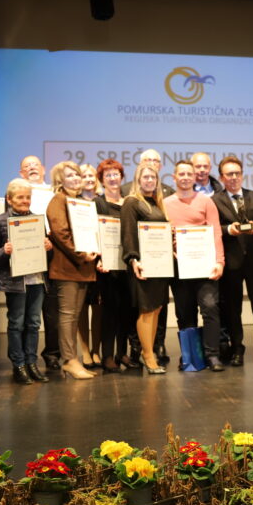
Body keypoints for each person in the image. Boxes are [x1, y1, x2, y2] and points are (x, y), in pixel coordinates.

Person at [0, 179, 52, 384]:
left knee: (34, 323)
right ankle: (19, 365)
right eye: (20, 197)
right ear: (9, 199)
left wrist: (49, 247)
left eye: (28, 197)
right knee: (16, 323)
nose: (25, 201)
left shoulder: (37, 221)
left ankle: (32, 363)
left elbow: (46, 255)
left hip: (37, 279)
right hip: (15, 281)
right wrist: (4, 251)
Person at [164, 160, 226, 371]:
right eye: (181, 174)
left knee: (210, 308)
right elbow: (162, 234)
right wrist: (170, 250)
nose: (185, 177)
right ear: (174, 177)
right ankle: (189, 356)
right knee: (184, 312)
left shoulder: (206, 202)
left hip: (204, 265)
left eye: (189, 174)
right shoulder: (165, 203)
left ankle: (212, 355)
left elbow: (216, 232)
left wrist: (219, 261)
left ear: (194, 177)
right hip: (179, 266)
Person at [213, 156, 253, 365]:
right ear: (222, 177)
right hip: (231, 263)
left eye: (237, 173)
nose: (234, 177)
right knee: (233, 309)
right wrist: (227, 230)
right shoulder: (215, 200)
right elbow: (213, 228)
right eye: (229, 174)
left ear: (242, 175)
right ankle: (237, 349)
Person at [46, 161, 98, 380]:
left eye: (77, 174)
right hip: (67, 267)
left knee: (74, 315)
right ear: (60, 180)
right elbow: (61, 233)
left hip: (83, 267)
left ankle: (73, 359)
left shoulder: (81, 202)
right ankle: (69, 360)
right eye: (70, 175)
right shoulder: (58, 200)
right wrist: (81, 254)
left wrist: (93, 250)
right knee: (68, 315)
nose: (76, 178)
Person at [121, 163, 172, 374]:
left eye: (153, 177)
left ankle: (147, 351)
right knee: (147, 310)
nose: (150, 180)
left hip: (161, 265)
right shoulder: (131, 202)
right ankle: (148, 355)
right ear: (138, 180)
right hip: (143, 265)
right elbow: (128, 233)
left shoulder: (157, 203)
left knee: (156, 309)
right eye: (146, 177)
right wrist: (134, 260)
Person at [94, 158, 138, 373]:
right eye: (108, 175)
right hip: (108, 266)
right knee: (110, 311)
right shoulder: (98, 203)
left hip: (128, 264)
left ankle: (122, 353)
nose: (112, 178)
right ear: (101, 180)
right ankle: (108, 356)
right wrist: (99, 258)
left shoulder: (130, 202)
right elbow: (94, 233)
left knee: (127, 311)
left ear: (122, 177)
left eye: (116, 174)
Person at [19, 154, 61, 371]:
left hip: (54, 254)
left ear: (44, 169)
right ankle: (27, 357)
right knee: (28, 312)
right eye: (27, 166)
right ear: (21, 173)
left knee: (53, 312)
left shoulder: (55, 193)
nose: (32, 168)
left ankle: (52, 354)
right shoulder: (17, 193)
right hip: (26, 256)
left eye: (35, 165)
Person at [77, 162, 102, 367]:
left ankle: (96, 350)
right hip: (81, 260)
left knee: (99, 307)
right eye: (84, 176)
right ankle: (85, 350)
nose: (88, 179)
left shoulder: (102, 202)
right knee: (82, 308)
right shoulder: (73, 202)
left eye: (91, 176)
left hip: (101, 262)